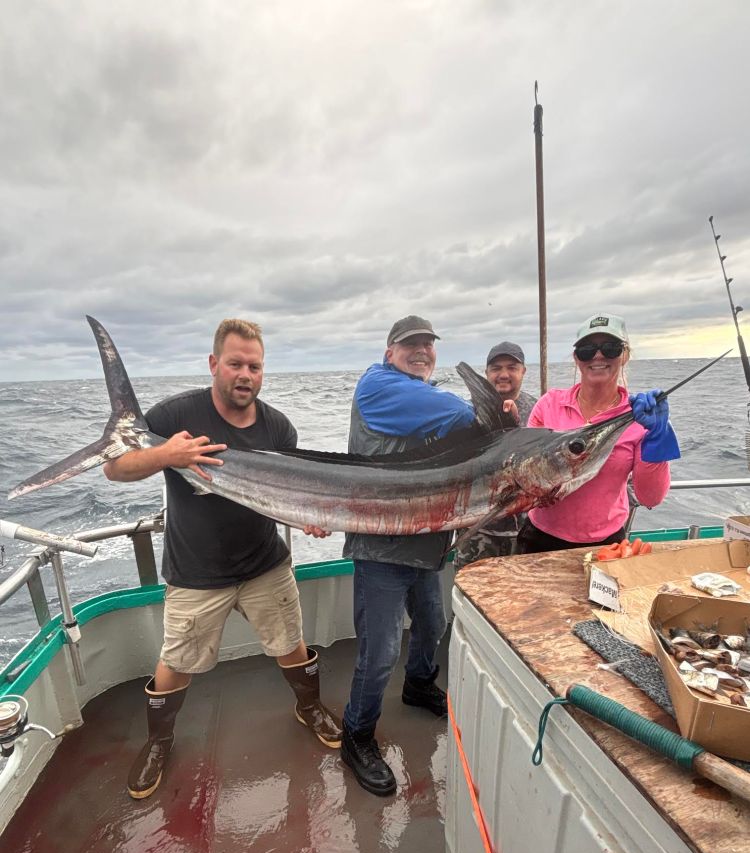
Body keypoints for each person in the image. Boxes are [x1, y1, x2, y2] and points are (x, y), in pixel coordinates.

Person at [103, 318, 342, 800]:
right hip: (196, 572)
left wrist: (308, 519)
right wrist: (166, 455)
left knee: (290, 643)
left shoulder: (278, 426)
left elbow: (291, 496)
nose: (245, 374)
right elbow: (115, 467)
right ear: (214, 364)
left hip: (264, 564)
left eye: (254, 366)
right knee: (175, 662)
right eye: (235, 363)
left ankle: (308, 707)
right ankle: (159, 740)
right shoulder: (175, 415)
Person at [340, 315, 476, 796]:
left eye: (428, 345)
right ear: (389, 350)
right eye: (410, 345)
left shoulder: (425, 396)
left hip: (426, 545)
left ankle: (419, 686)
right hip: (382, 548)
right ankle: (356, 735)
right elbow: (463, 417)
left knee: (432, 627)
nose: (422, 351)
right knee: (379, 654)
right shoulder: (379, 386)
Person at [516, 313, 680, 553]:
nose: (598, 355)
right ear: (576, 358)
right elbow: (526, 474)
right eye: (586, 350)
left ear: (624, 355)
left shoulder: (639, 416)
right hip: (540, 538)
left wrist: (658, 436)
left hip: (607, 544)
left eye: (610, 348)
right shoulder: (548, 404)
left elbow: (650, 498)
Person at [454, 341, 537, 567]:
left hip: (526, 533)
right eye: (496, 368)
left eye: (511, 367)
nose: (503, 374)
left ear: (523, 371)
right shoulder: (464, 414)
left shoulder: (539, 410)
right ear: (486, 372)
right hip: (477, 531)